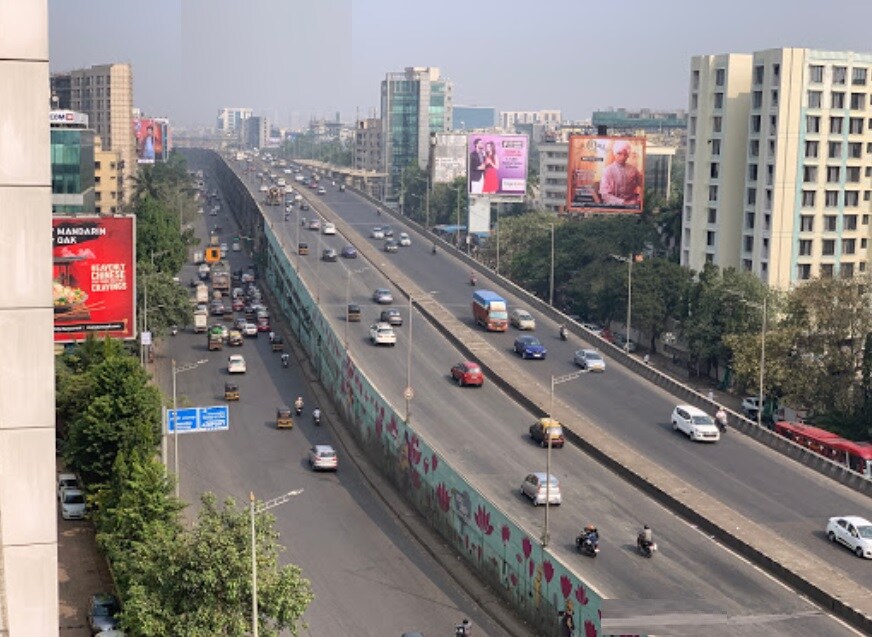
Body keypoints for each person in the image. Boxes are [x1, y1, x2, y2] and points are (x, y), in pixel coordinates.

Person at [599, 140, 642, 207]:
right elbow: (605, 195)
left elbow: (643, 184)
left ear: (627, 155)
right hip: (613, 206)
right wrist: (623, 203)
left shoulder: (633, 170)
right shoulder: (608, 171)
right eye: (619, 153)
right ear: (614, 154)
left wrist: (640, 198)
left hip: (632, 205)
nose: (622, 157)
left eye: (625, 154)